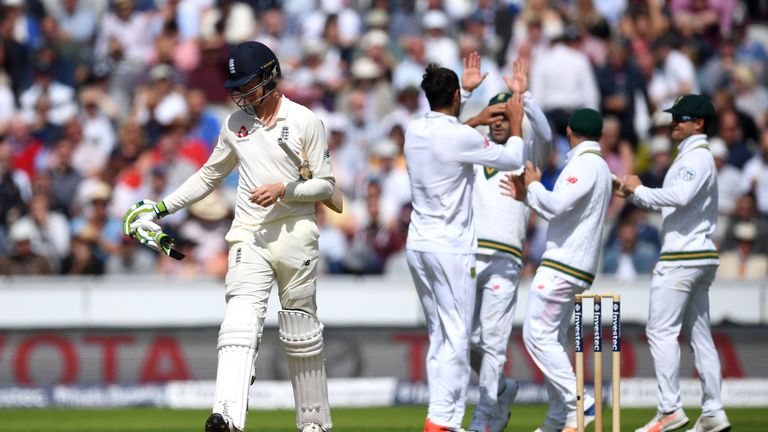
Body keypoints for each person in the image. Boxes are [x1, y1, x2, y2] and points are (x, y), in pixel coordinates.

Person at [122, 41, 336, 432]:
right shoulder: (235, 125)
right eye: (236, 86)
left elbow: (326, 187)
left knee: (300, 331)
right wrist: (161, 208)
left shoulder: (306, 121)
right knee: (238, 322)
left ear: (271, 77)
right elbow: (208, 175)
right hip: (250, 235)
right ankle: (228, 418)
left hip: (296, 234)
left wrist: (285, 189)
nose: (241, 94)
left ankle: (314, 423)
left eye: (248, 84)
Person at [404, 53, 529, 432]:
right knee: (457, 337)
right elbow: (511, 159)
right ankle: (446, 421)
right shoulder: (459, 136)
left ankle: (436, 416)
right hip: (451, 248)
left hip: (418, 246)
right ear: (456, 95)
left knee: (440, 336)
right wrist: (517, 122)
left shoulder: (413, 129)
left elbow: (452, 132)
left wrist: (469, 109)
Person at [616, 94, 730, 432]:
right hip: (696, 256)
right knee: (700, 336)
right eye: (674, 117)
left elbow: (678, 197)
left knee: (660, 330)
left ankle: (669, 410)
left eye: (682, 118)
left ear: (700, 124)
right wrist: (632, 190)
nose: (674, 122)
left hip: (684, 256)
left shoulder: (697, 156)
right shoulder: (691, 156)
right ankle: (713, 412)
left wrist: (640, 190)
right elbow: (673, 204)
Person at [500, 108, 611, 432]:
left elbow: (556, 205)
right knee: (554, 340)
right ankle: (560, 418)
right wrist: (528, 197)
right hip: (576, 264)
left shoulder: (584, 164)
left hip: (563, 263)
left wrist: (533, 186)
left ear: (571, 134)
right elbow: (563, 212)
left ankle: (583, 402)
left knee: (537, 336)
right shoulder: (599, 166)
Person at [468, 59, 553, 432]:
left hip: (506, 257)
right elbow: (438, 138)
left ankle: (486, 416)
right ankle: (501, 390)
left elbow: (549, 138)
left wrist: (526, 98)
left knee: (493, 342)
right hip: (468, 255)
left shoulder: (526, 154)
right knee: (464, 339)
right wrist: (474, 109)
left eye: (508, 114)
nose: (501, 120)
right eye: (496, 115)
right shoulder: (473, 150)